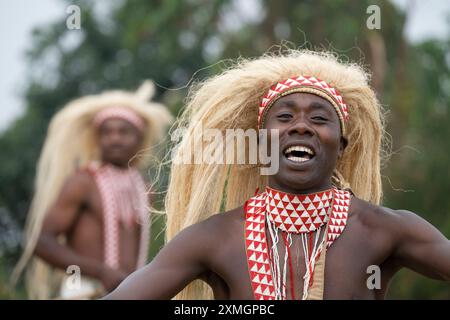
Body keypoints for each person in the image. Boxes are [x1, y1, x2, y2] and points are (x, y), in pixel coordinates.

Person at [104, 50, 450, 300]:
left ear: (341, 146)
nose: (301, 126)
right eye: (284, 118)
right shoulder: (215, 238)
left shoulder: (384, 230)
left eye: (318, 119)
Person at [11, 81, 172, 299]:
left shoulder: (144, 189)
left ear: (140, 138)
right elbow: (41, 242)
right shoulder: (84, 182)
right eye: (107, 132)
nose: (114, 138)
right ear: (98, 139)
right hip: (83, 291)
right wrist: (99, 272)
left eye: (124, 132)